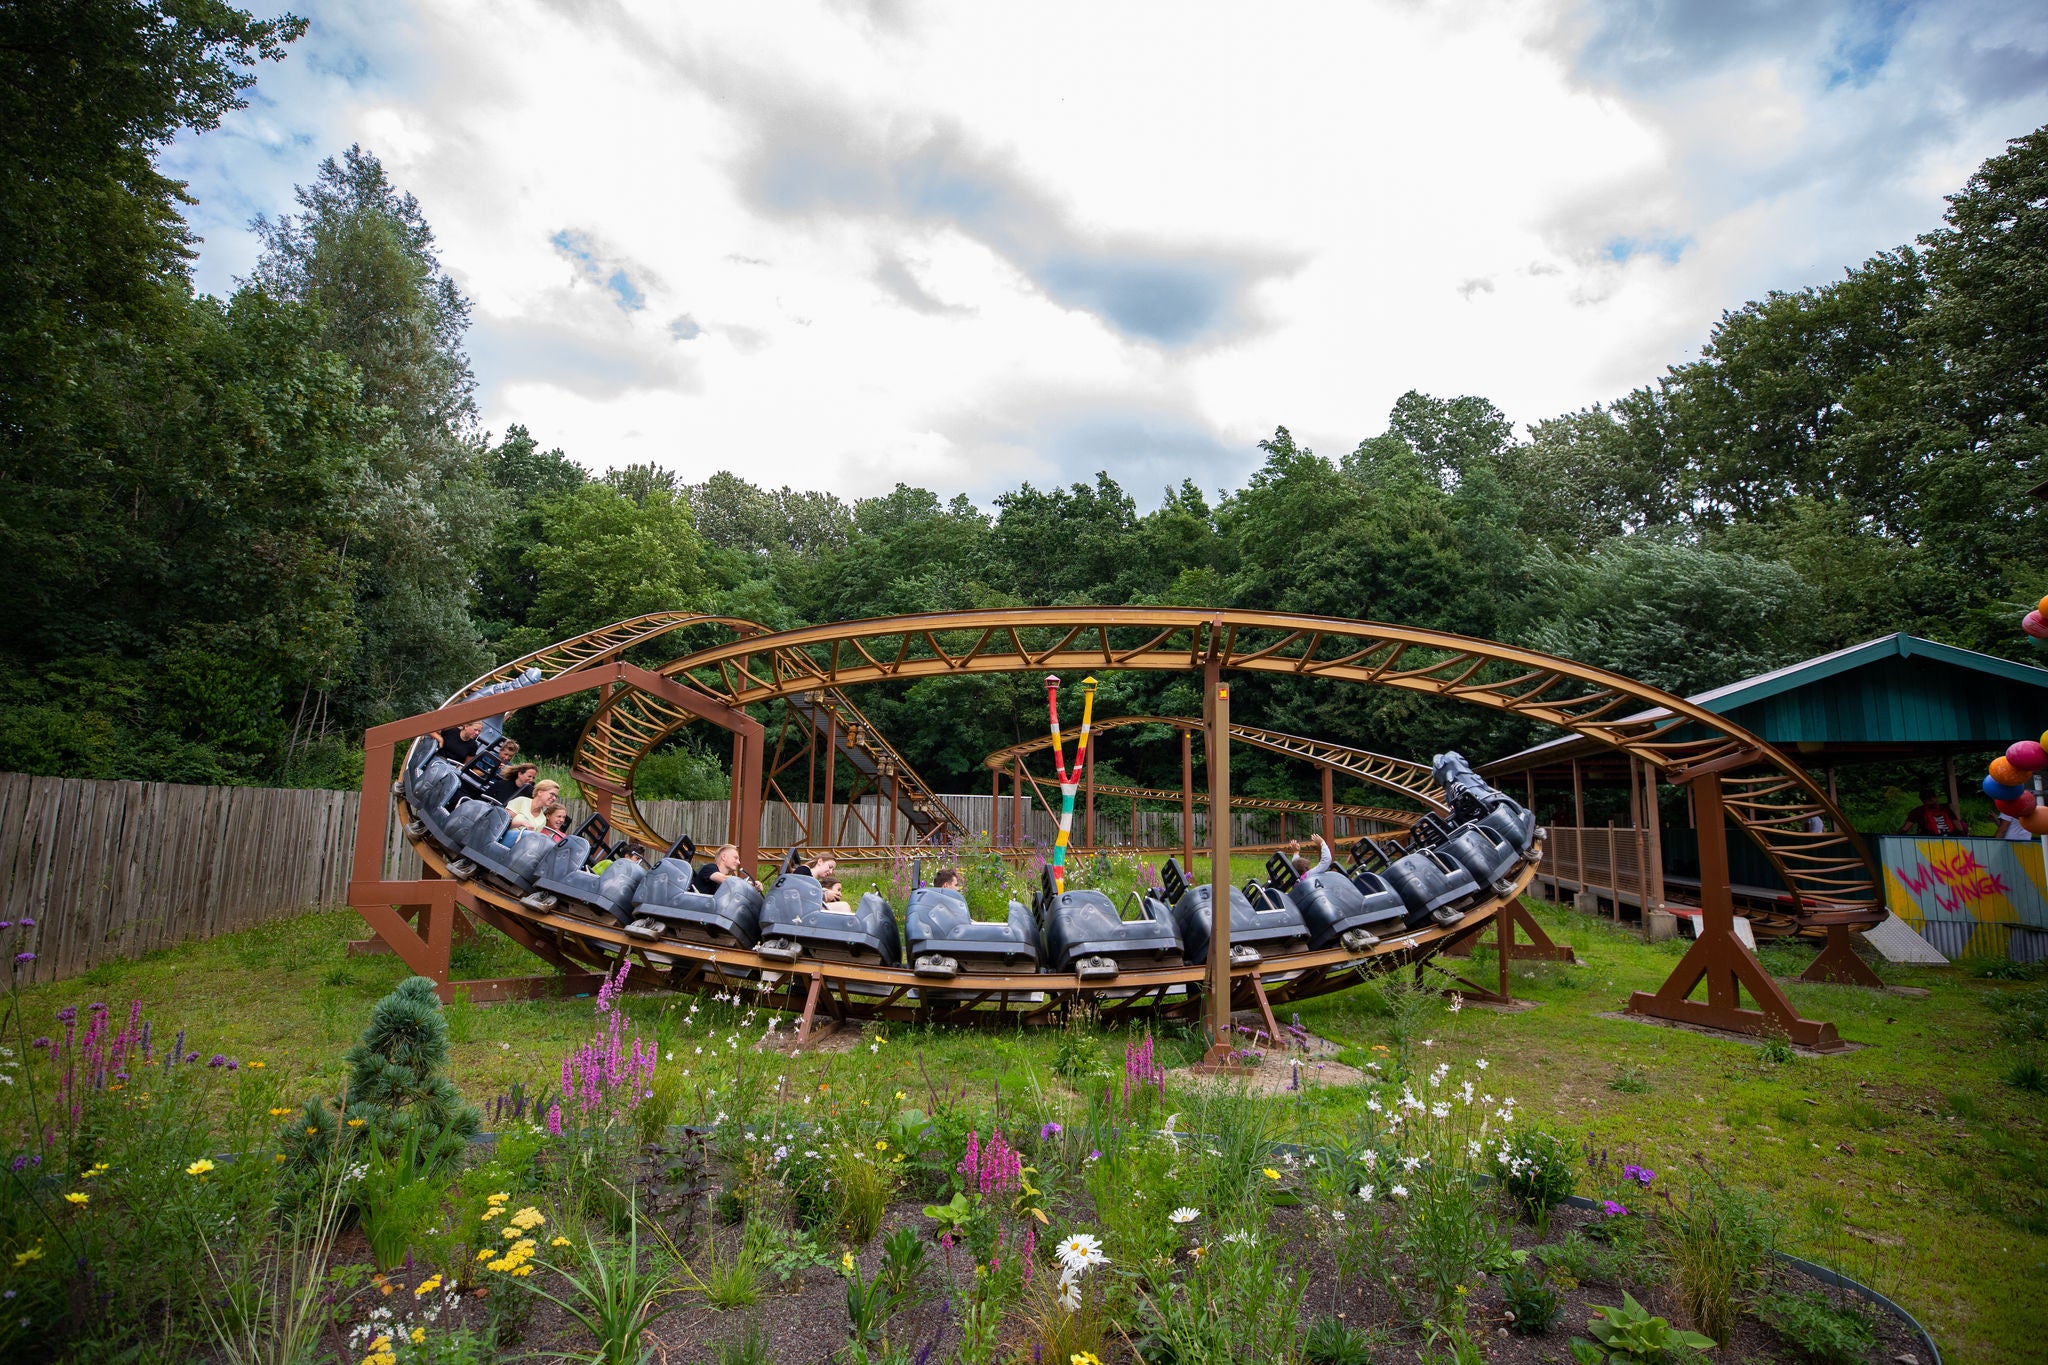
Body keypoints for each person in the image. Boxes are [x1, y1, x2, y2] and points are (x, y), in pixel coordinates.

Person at [1898, 789, 1969, 836]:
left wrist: (1896, 835)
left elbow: (1905, 828)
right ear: (1935, 797)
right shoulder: (1945, 809)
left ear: (1922, 799)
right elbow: (1959, 828)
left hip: (1929, 842)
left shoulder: (1918, 811)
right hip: (1949, 839)